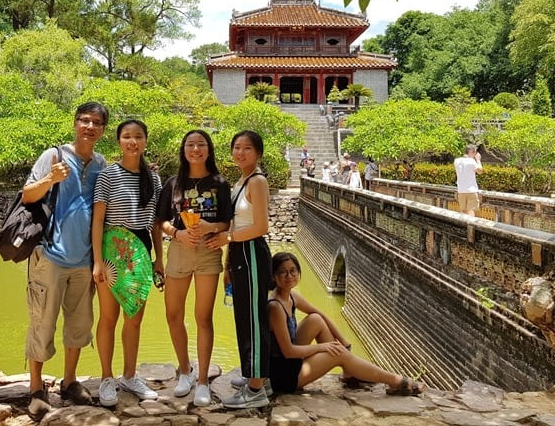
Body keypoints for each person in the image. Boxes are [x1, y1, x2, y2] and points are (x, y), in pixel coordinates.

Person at [21, 102, 109, 421]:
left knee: (79, 324)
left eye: (96, 122)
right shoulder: (54, 155)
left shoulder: (101, 164)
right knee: (42, 321)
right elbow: (27, 195)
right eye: (84, 120)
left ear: (102, 130)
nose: (89, 126)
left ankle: (69, 381)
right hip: (50, 256)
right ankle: (35, 388)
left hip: (85, 260)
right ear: (75, 124)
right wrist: (50, 180)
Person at [268, 252, 425, 396]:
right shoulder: (275, 306)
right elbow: (288, 351)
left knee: (315, 319)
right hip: (284, 377)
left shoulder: (291, 296)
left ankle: (349, 371)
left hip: (289, 363)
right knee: (338, 353)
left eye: (293, 270)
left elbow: (320, 313)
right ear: (274, 276)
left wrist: (344, 342)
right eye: (283, 272)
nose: (289, 275)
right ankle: (396, 381)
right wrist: (323, 347)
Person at [156, 130, 233, 406]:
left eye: (201, 144)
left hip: (209, 251)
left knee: (203, 317)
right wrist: (178, 234)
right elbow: (161, 221)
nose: (196, 149)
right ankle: (184, 371)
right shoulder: (173, 183)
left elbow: (227, 222)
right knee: (173, 314)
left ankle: (202, 380)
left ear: (209, 150)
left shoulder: (220, 183)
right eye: (190, 144)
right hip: (179, 250)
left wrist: (212, 227)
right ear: (183, 150)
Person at [92, 119, 164, 407]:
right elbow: (98, 219)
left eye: (138, 137)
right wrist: (97, 260)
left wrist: (160, 258)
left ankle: (130, 375)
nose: (132, 142)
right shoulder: (108, 175)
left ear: (145, 141)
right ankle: (107, 377)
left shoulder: (154, 179)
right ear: (118, 141)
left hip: (141, 252)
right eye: (126, 137)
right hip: (111, 250)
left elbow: (156, 224)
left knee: (134, 319)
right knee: (108, 318)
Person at [207, 130, 272, 409]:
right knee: (245, 318)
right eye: (236, 147)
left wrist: (228, 240)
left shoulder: (256, 181)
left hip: (252, 253)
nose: (240, 153)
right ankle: (254, 376)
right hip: (239, 254)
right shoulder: (240, 181)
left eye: (247, 148)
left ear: (258, 153)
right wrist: (227, 263)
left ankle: (256, 389)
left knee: (254, 320)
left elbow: (261, 227)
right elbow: (235, 224)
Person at [454, 144, 483, 217]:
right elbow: (480, 171)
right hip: (471, 190)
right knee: (471, 210)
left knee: (463, 211)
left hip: (461, 190)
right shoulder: (472, 161)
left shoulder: (457, 161)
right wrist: (478, 160)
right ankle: (471, 227)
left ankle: (463, 227)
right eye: (475, 152)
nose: (475, 154)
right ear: (472, 152)